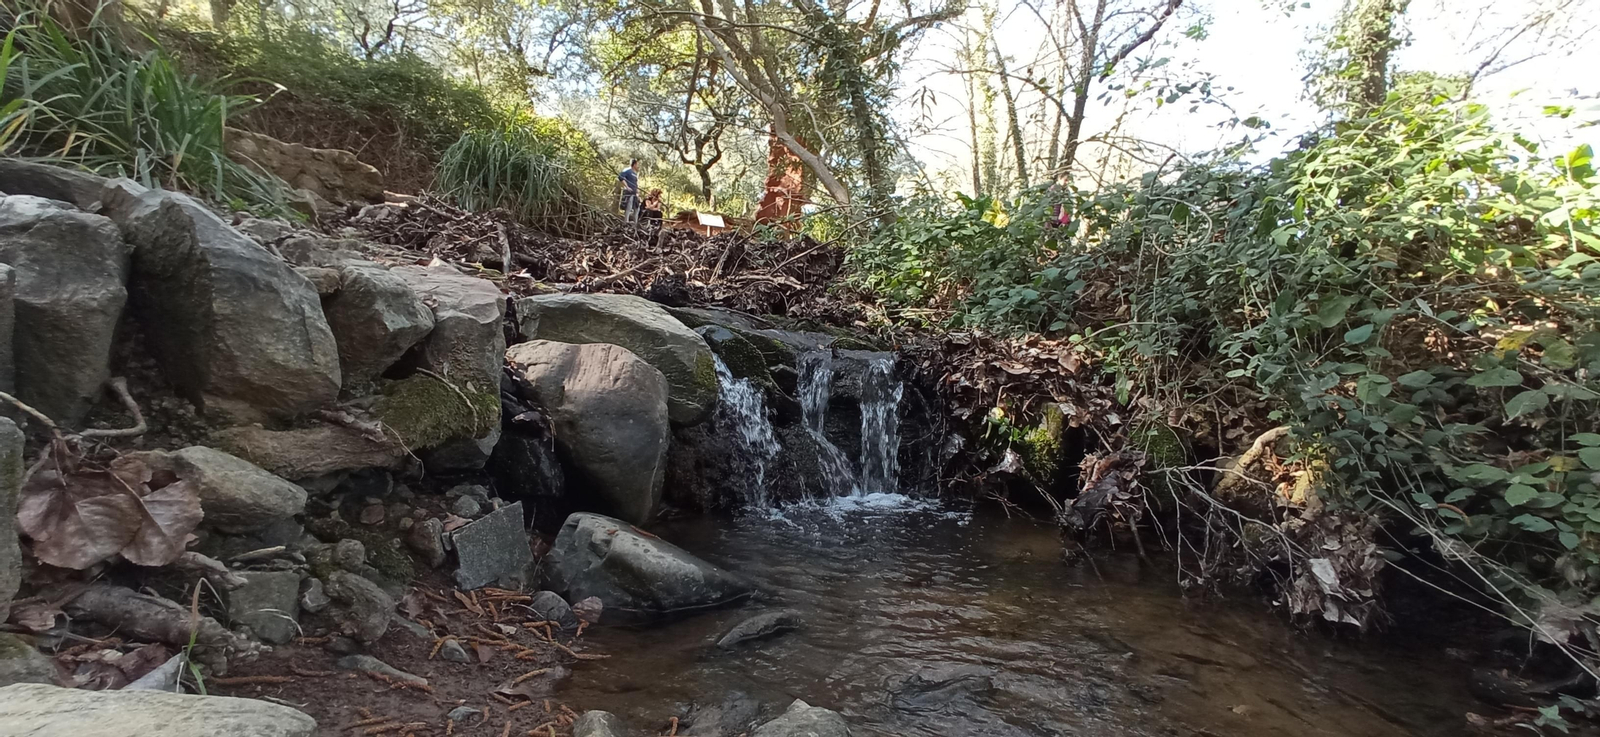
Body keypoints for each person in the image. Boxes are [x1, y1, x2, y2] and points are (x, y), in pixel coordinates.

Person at [617, 158, 641, 223]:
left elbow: (635, 183)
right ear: (634, 164)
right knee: (628, 207)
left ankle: (635, 223)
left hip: (634, 193)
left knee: (637, 208)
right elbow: (620, 177)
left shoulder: (635, 174)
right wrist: (627, 186)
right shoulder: (627, 170)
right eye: (637, 164)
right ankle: (626, 222)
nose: (638, 166)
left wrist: (637, 193)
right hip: (629, 192)